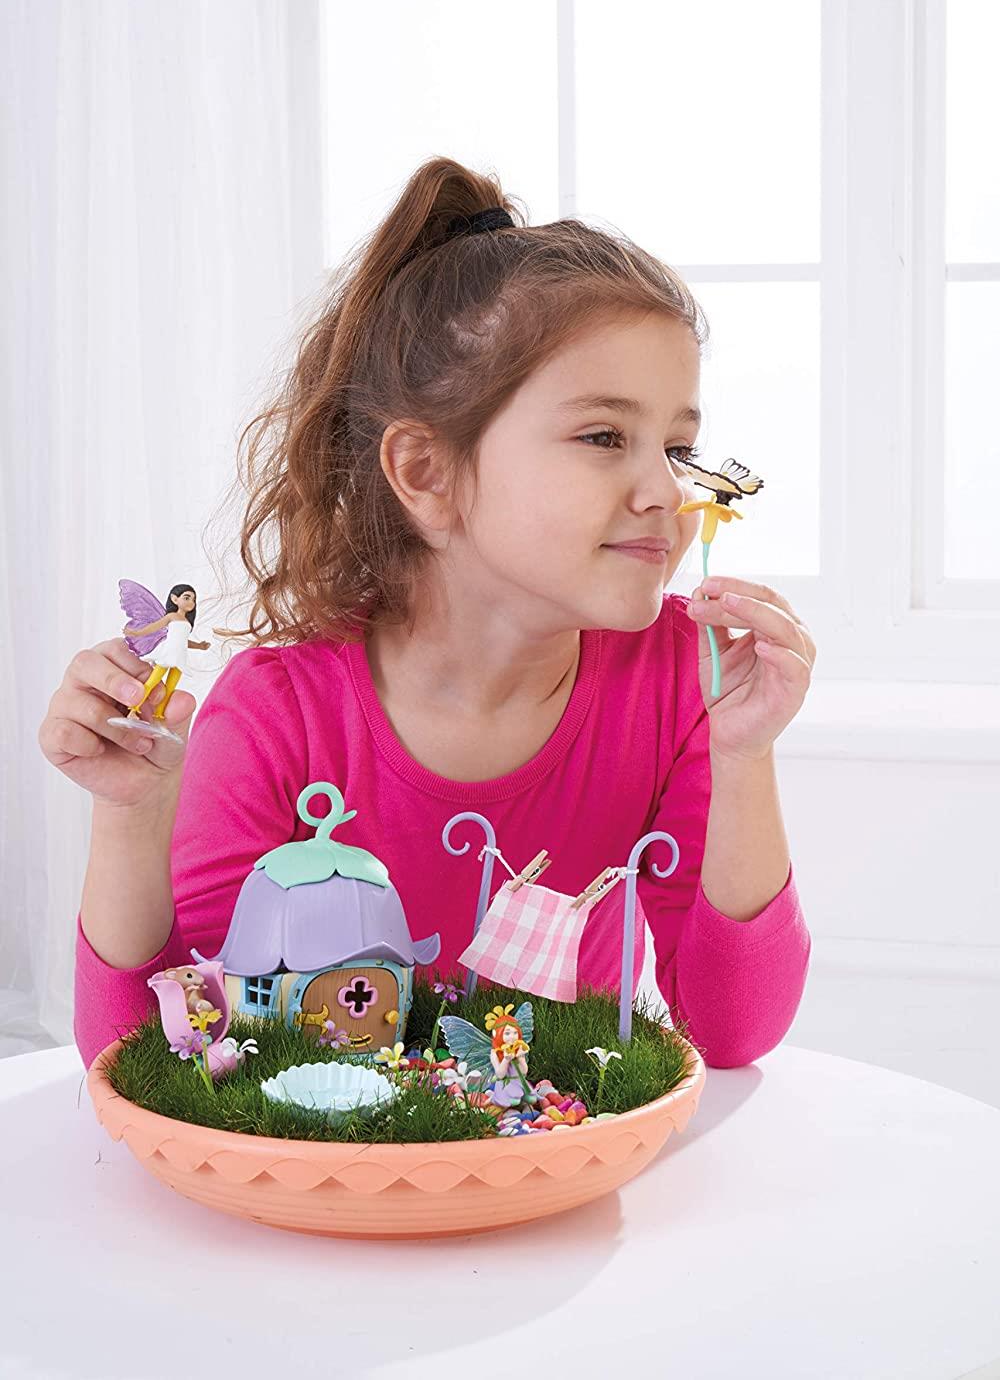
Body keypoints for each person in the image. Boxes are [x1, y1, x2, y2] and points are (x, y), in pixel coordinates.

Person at [38, 156, 815, 1074]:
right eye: (604, 436)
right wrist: (131, 817)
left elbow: (732, 1031)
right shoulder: (278, 715)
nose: (667, 493)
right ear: (425, 472)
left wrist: (744, 755)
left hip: (567, 1158)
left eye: (679, 448)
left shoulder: (680, 677)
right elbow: (157, 1058)